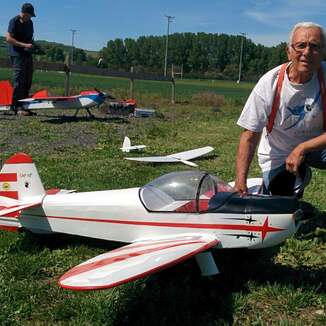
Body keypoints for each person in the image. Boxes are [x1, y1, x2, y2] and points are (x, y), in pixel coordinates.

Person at [235, 22, 326, 198]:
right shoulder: (269, 84)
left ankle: (301, 164)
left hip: (316, 146)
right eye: (301, 45)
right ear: (289, 51)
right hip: (279, 152)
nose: (307, 52)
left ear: (322, 52)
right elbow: (249, 136)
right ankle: (290, 179)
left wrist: (302, 148)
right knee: (281, 205)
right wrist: (240, 181)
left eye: (314, 46)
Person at [5, 3, 36, 116]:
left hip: (27, 54)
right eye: (28, 15)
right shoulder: (14, 21)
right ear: (23, 12)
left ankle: (25, 105)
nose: (30, 17)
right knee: (19, 79)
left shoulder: (30, 23)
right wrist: (24, 45)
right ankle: (15, 106)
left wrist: (33, 45)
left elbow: (30, 38)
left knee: (28, 78)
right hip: (16, 54)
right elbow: (8, 38)